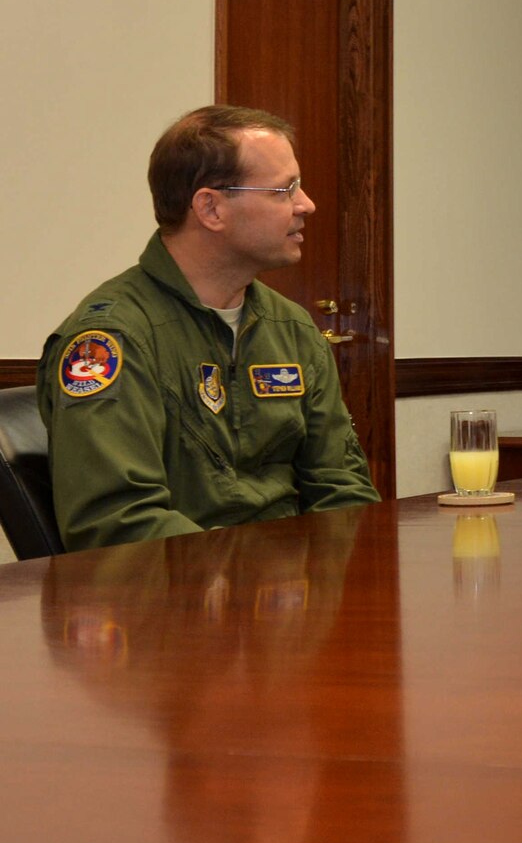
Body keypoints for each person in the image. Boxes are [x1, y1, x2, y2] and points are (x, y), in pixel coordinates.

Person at [38, 105, 379, 550]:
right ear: (211, 208)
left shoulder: (291, 328)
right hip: (177, 588)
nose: (306, 204)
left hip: (296, 585)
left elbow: (342, 491)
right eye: (285, 190)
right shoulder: (112, 340)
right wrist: (256, 576)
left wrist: (345, 580)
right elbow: (117, 524)